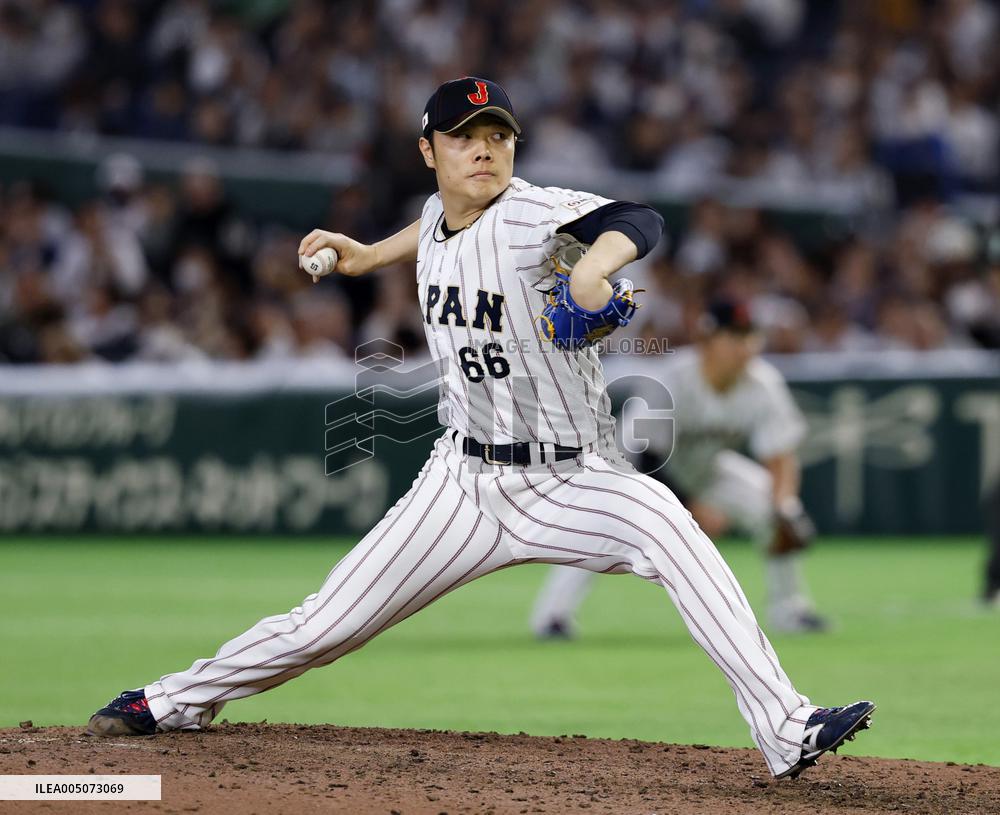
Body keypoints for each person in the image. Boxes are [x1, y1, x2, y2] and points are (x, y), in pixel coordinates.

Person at [87, 77, 874, 780]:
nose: (485, 150)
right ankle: (169, 700)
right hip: (460, 483)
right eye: (465, 137)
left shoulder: (534, 216)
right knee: (324, 625)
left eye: (498, 136)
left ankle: (785, 726)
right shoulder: (435, 212)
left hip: (572, 475)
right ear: (429, 150)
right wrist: (365, 255)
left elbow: (640, 216)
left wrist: (595, 270)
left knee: (670, 528)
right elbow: (430, 230)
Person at [532, 298, 829, 638]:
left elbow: (781, 455)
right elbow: (645, 458)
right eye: (733, 336)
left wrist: (784, 508)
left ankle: (790, 610)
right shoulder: (674, 379)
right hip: (627, 471)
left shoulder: (763, 383)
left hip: (703, 470)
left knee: (771, 506)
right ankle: (553, 615)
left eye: (750, 336)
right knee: (602, 531)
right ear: (708, 340)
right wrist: (692, 508)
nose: (744, 346)